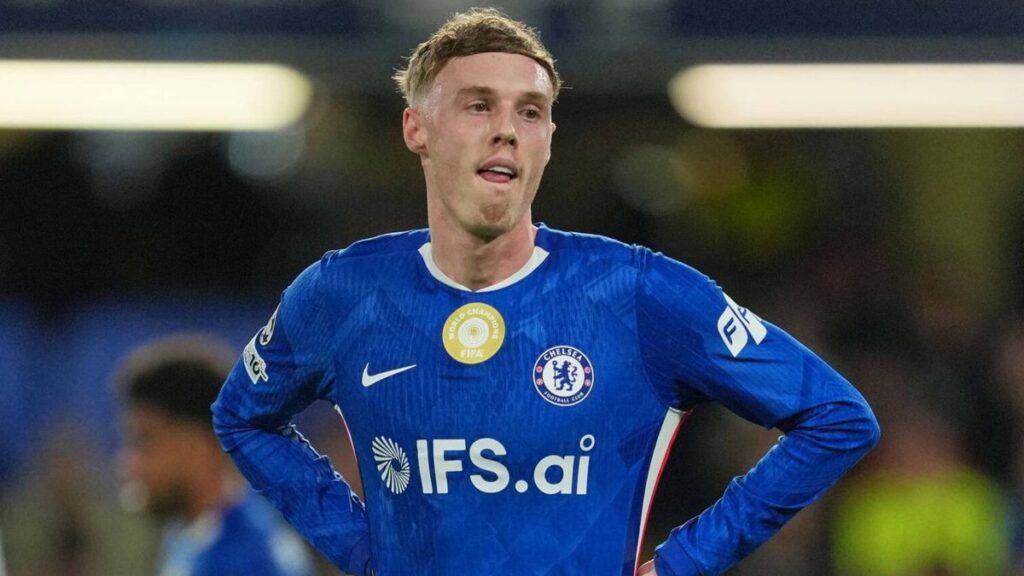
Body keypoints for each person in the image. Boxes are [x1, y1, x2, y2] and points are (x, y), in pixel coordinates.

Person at [211, 8, 880, 575]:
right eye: (479, 105)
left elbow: (837, 419)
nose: (507, 127)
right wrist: (363, 549)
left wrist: (682, 564)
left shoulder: (637, 293)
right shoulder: (344, 293)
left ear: (547, 140)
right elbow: (242, 415)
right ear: (417, 128)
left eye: (530, 112)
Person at [115, 334, 314, 576]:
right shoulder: (194, 535)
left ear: (201, 447)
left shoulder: (249, 564)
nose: (129, 463)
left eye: (145, 441)